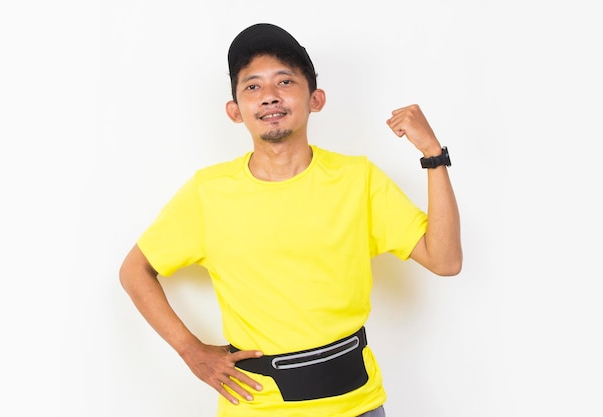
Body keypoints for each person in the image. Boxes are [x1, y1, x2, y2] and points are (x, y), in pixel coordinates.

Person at [119, 23, 462, 417]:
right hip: (258, 409)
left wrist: (433, 155)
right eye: (252, 86)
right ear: (234, 111)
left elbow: (446, 260)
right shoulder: (207, 192)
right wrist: (190, 350)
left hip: (358, 405)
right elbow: (135, 271)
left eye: (285, 81)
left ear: (315, 99)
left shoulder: (358, 180)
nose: (269, 96)